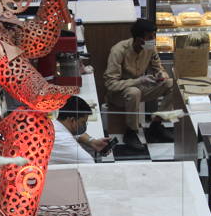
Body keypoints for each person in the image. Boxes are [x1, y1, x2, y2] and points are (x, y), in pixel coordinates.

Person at [104, 18, 175, 148]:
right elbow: (110, 84)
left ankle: (156, 125)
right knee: (134, 92)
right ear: (139, 39)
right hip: (119, 94)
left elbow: (159, 68)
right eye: (150, 37)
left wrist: (161, 75)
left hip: (142, 88)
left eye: (154, 36)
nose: (153, 40)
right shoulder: (118, 51)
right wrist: (139, 80)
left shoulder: (150, 48)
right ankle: (130, 132)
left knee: (172, 84)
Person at [50, 96, 109, 164]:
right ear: (72, 120)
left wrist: (92, 142)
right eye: (83, 122)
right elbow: (90, 164)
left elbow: (78, 136)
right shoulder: (64, 140)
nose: (85, 125)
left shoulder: (53, 124)